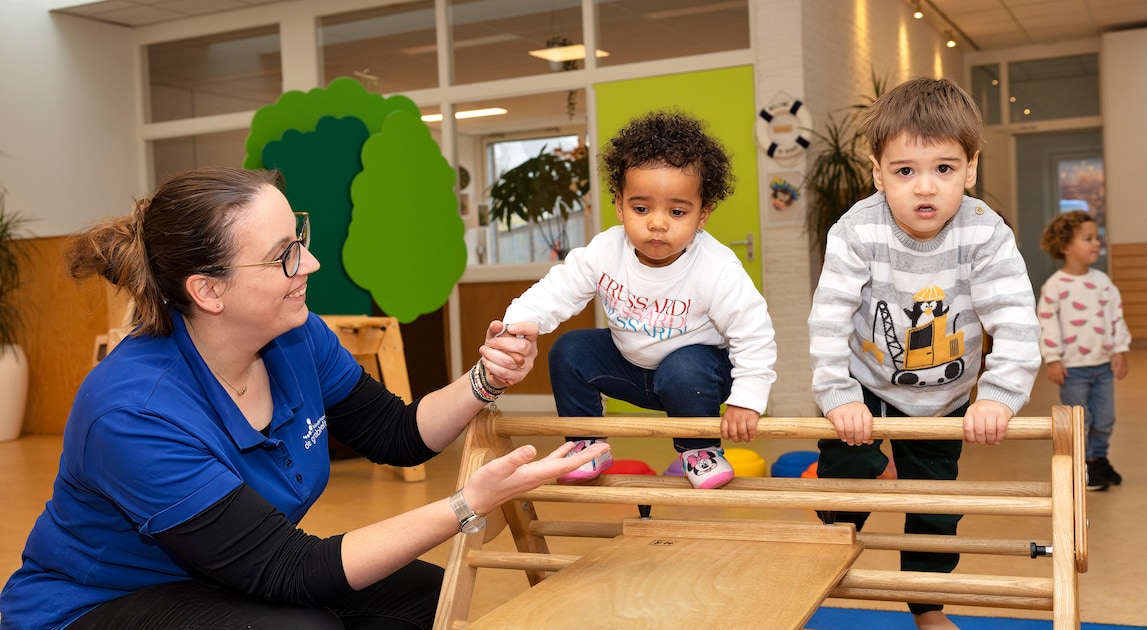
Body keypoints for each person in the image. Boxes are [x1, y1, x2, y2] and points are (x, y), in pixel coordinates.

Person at [0, 166, 608, 630]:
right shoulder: (133, 413)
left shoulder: (295, 336)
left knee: (421, 595)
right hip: (95, 604)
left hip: (221, 576)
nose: (310, 263)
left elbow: (396, 434)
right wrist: (467, 503)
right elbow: (290, 570)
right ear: (208, 290)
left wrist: (486, 379)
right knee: (301, 626)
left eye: (301, 237)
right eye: (283, 255)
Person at [807, 77, 1041, 630]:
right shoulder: (857, 231)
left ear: (971, 169)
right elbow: (828, 318)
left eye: (945, 168)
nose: (925, 188)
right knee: (849, 473)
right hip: (865, 382)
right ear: (877, 172)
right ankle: (826, 548)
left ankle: (928, 608)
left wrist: (999, 396)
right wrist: (838, 394)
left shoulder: (985, 234)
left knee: (935, 507)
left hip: (946, 395)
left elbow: (1015, 319)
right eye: (904, 171)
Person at [503, 110, 777, 490]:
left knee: (684, 367)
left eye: (677, 211)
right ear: (619, 206)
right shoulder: (605, 250)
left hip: (696, 378)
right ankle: (586, 443)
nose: (658, 223)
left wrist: (747, 399)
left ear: (702, 215)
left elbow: (754, 333)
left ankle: (700, 450)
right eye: (641, 208)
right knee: (570, 349)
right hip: (630, 368)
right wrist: (518, 323)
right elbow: (559, 288)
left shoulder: (716, 268)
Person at [1037, 210, 1130, 491]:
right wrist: (1052, 359)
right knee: (1082, 420)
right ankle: (1084, 467)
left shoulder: (1103, 282)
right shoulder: (1054, 287)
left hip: (1102, 366)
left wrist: (1120, 350)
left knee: (1105, 419)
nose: (1096, 243)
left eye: (1097, 237)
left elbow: (1116, 316)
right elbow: (1047, 323)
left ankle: (1097, 457)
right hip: (1073, 369)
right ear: (1066, 246)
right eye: (1088, 239)